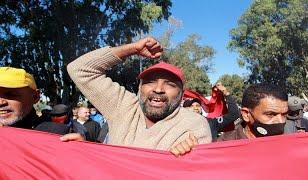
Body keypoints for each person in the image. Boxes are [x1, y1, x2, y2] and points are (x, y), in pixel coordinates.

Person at [64, 37, 212, 156]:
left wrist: (187, 156)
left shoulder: (193, 123)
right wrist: (132, 49)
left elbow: (198, 170)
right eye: (150, 82)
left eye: (170, 84)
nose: (158, 89)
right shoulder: (123, 106)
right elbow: (79, 69)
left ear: (181, 94)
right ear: (140, 88)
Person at [218, 83, 288, 141]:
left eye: (284, 115)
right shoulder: (224, 146)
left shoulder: (288, 141)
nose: (280, 121)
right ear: (246, 114)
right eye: (271, 114)